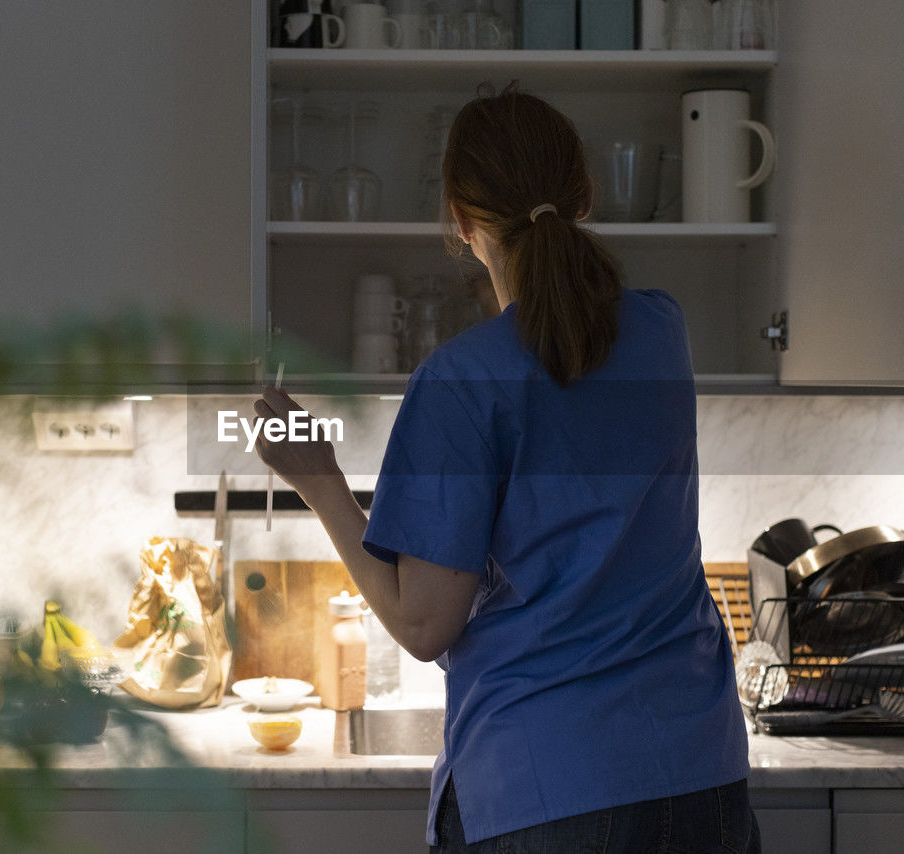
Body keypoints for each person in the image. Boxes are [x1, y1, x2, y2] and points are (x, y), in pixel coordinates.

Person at [253, 83, 759, 853]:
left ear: (458, 222)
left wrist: (317, 477)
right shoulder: (664, 332)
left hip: (548, 787)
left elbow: (425, 624)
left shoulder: (461, 383)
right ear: (585, 195)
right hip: (700, 773)